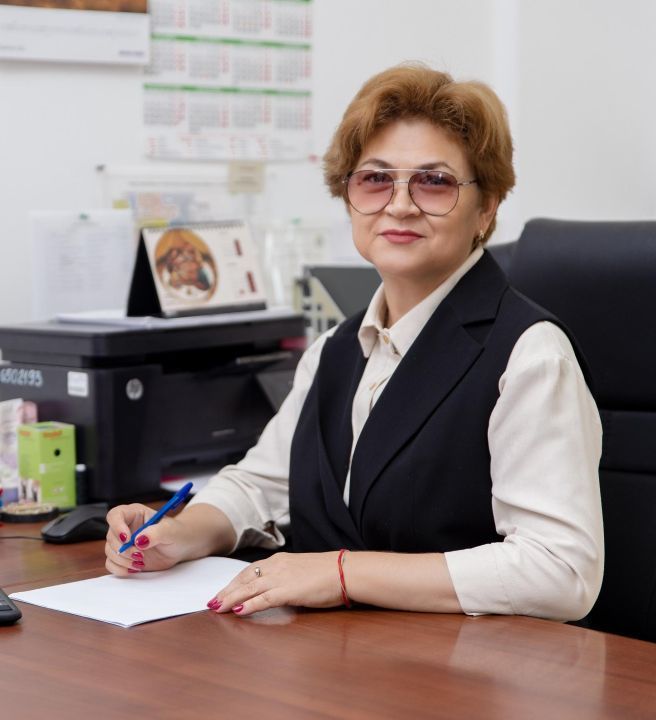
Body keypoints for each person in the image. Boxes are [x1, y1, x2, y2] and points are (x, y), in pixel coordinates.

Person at [105, 64, 603, 621]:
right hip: (339, 654)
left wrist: (340, 573)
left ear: (486, 207)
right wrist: (180, 533)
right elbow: (259, 485)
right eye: (374, 179)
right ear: (348, 198)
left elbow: (560, 571)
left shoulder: (530, 355)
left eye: (434, 181)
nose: (400, 204)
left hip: (463, 663)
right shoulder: (335, 350)